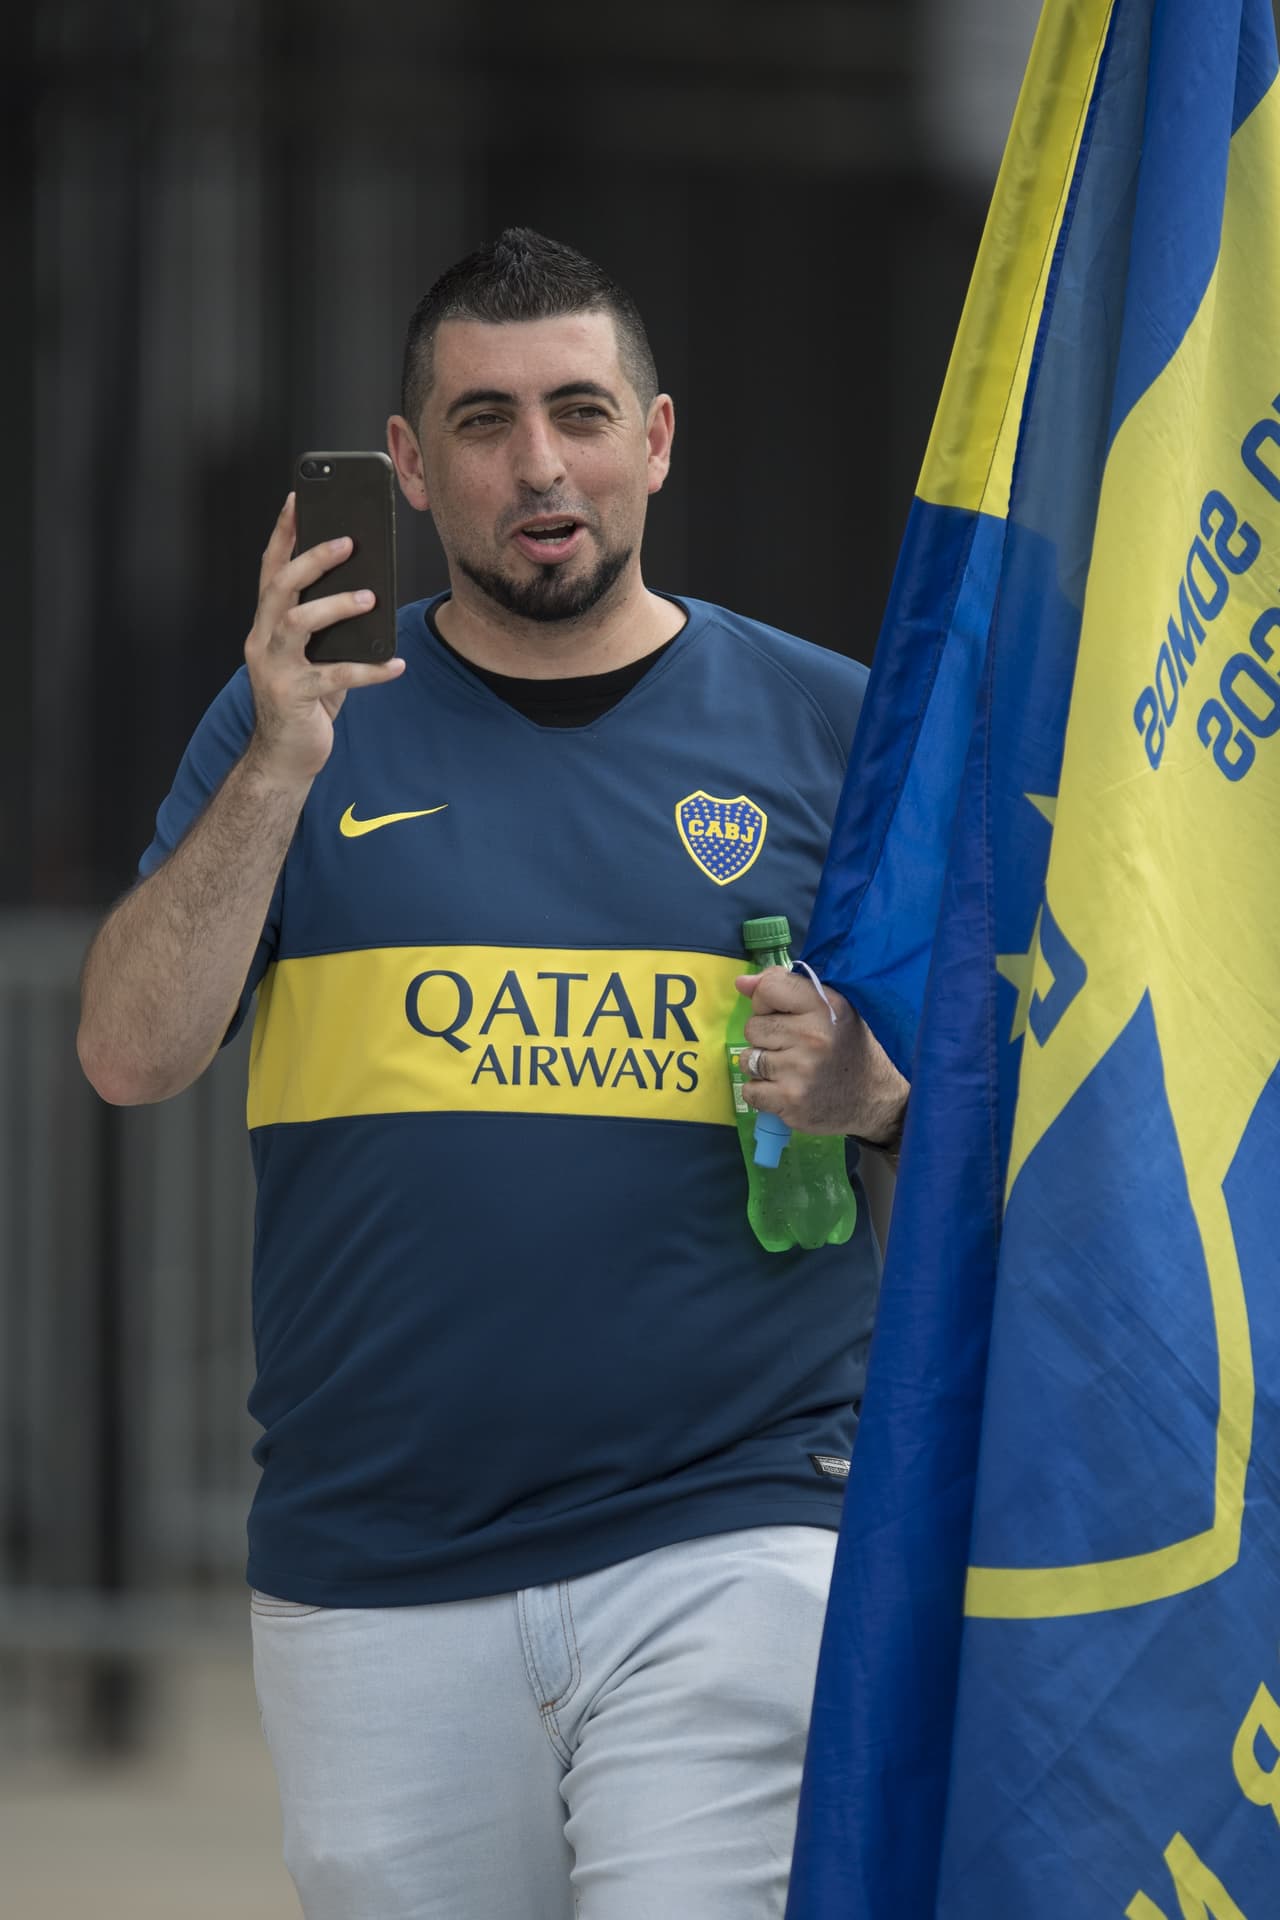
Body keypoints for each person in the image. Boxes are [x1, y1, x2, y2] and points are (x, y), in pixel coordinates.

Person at [77, 228, 907, 1920]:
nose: (541, 464)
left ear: (657, 441)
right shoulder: (291, 726)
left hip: (736, 1524)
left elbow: (1019, 1075)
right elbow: (130, 1052)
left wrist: (874, 1093)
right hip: (376, 1563)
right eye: (483, 420)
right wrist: (279, 768)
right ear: (406, 465)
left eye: (582, 411)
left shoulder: (836, 730)